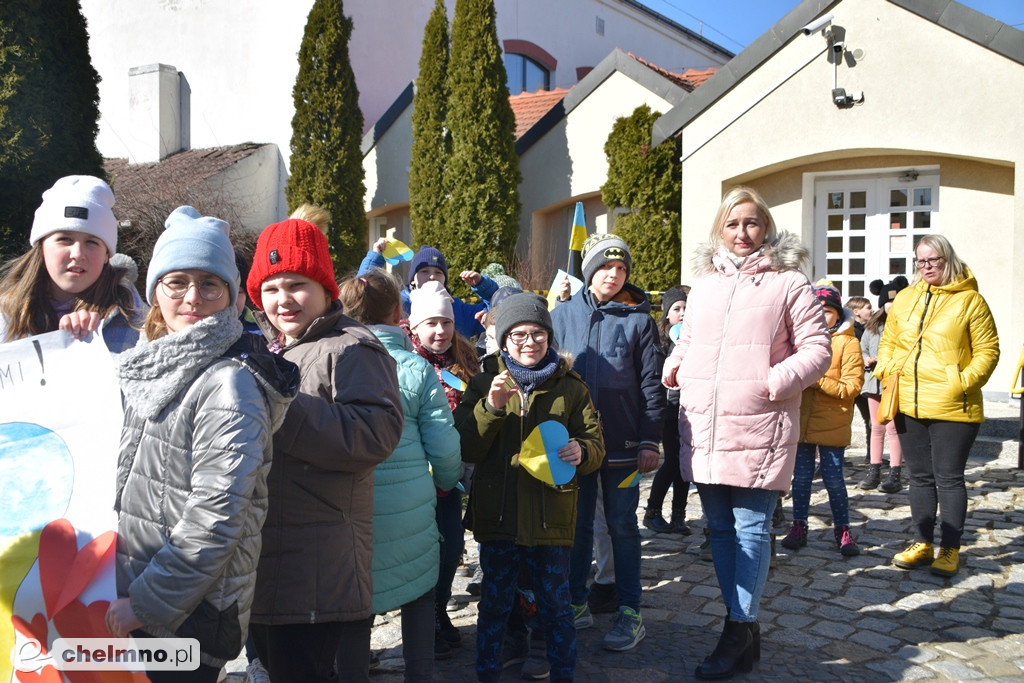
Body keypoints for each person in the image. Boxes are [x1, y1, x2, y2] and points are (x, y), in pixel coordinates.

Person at [106, 206, 299, 682]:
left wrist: (147, 604)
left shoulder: (227, 383)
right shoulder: (156, 364)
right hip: (145, 592)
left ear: (232, 297)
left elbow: (215, 519)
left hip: (185, 612)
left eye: (209, 284)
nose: (192, 297)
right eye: (177, 281)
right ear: (155, 291)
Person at [662, 186, 831, 680]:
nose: (742, 233)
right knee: (717, 529)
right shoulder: (705, 284)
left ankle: (738, 629)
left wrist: (772, 382)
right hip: (706, 423)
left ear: (766, 228)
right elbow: (688, 339)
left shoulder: (789, 283)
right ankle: (744, 633)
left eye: (752, 223)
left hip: (761, 421)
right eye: (733, 224)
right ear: (720, 228)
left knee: (752, 529)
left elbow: (816, 350)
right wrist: (676, 365)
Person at [245, 217, 404, 683]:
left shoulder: (353, 347)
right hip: (270, 559)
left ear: (323, 286)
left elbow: (376, 434)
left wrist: (282, 404)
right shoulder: (279, 348)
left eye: (296, 284)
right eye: (270, 288)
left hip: (318, 567)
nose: (282, 299)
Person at [455, 292, 605, 682]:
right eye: (519, 334)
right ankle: (486, 673)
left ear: (549, 338)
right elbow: (467, 446)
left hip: (550, 519)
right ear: (504, 340)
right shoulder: (485, 382)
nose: (529, 342)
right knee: (494, 605)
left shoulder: (571, 388)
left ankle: (563, 674)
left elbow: (595, 445)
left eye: (538, 334)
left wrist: (582, 450)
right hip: (499, 517)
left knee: (556, 606)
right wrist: (491, 408)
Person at [338, 268, 462, 683]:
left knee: (355, 609)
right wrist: (447, 481)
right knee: (418, 594)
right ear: (398, 312)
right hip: (411, 509)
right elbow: (444, 444)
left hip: (352, 510)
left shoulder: (332, 359)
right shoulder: (415, 368)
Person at [551, 233, 663, 652]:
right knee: (577, 528)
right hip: (574, 448)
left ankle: (630, 610)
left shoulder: (639, 321)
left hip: (623, 448)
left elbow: (652, 385)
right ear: (588, 271)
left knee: (621, 526)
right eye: (605, 267)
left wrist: (649, 440)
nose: (614, 275)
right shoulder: (561, 315)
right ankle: (576, 601)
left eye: (621, 269)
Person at [880, 235, 999, 578]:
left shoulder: (971, 301)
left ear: (948, 260)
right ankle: (922, 542)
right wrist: (888, 367)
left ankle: (949, 549)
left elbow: (988, 351)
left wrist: (960, 382)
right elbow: (889, 340)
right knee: (918, 477)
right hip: (909, 402)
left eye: (934, 260)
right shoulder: (905, 298)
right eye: (921, 261)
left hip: (952, 406)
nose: (927, 267)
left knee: (948, 478)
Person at [402, 279, 480, 658]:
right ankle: (423, 622)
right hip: (413, 479)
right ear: (414, 326)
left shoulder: (465, 360)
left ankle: (438, 610)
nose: (440, 331)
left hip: (451, 477)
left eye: (446, 323)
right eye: (431, 323)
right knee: (420, 554)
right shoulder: (401, 361)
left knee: (450, 550)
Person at [0, 175, 144, 351]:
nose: (77, 254)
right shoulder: (5, 314)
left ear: (107, 254)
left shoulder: (133, 317)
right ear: (41, 247)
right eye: (64, 239)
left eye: (92, 242)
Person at [781, 283, 864, 556]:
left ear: (837, 314)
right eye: (815, 309)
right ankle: (799, 525)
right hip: (802, 423)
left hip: (832, 422)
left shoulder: (848, 343)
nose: (820, 315)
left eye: (827, 311)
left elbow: (851, 387)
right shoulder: (799, 342)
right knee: (801, 478)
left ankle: (843, 528)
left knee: (833, 478)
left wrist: (817, 379)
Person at [359, 241, 498, 339]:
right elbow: (363, 295)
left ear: (445, 280)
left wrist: (483, 286)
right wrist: (374, 257)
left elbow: (498, 309)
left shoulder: (458, 309)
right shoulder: (397, 305)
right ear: (412, 279)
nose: (432, 276)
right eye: (424, 271)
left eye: (438, 272)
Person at [643, 285, 692, 535]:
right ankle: (652, 512)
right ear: (666, 313)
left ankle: (678, 515)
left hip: (690, 411)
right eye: (677, 308)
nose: (682, 313)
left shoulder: (694, 337)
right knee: (672, 462)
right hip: (669, 411)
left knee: (685, 465)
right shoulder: (660, 341)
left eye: (686, 308)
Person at [858, 277, 909, 492]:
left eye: (895, 301)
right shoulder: (872, 328)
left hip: (894, 382)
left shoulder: (906, 325)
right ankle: (874, 470)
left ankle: (895, 473)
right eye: (888, 302)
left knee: (893, 428)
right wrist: (867, 359)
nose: (891, 306)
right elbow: (862, 350)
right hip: (873, 383)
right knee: (876, 427)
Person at [846, 295, 874, 456]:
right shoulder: (848, 330)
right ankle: (839, 454)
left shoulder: (870, 329)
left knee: (870, 419)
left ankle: (872, 454)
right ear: (856, 311)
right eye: (868, 307)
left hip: (865, 381)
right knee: (845, 420)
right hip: (851, 380)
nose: (871, 310)